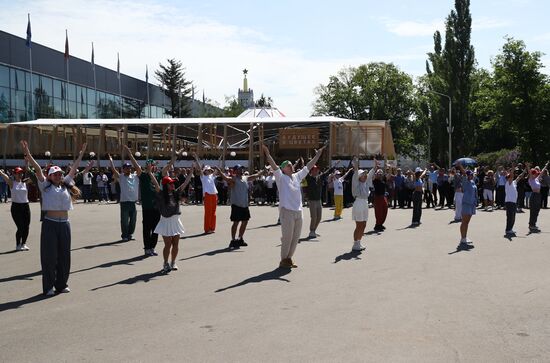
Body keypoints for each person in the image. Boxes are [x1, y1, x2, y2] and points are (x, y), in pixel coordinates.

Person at [22, 140, 85, 296]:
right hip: (50, 224)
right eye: (55, 174)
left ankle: (61, 284)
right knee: (49, 257)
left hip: (65, 224)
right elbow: (37, 169)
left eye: (60, 174)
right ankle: (48, 286)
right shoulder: (45, 186)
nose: (58, 176)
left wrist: (82, 153)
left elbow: (75, 168)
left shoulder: (66, 185)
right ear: (49, 176)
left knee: (64, 256)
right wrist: (29, 155)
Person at [262, 144, 326, 269]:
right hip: (287, 212)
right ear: (283, 169)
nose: (290, 165)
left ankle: (289, 258)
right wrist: (267, 154)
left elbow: (309, 166)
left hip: (298, 211)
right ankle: (283, 260)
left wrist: (318, 155)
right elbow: (274, 165)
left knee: (295, 238)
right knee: (287, 237)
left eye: (291, 164)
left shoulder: (297, 176)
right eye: (287, 165)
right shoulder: (280, 177)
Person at [149, 170, 193, 273]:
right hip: (166, 222)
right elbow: (155, 183)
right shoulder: (160, 194)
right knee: (168, 244)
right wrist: (150, 172)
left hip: (176, 221)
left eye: (173, 183)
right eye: (170, 183)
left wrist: (191, 172)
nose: (172, 184)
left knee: (176, 244)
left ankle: (173, 262)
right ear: (165, 185)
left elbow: (185, 183)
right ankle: (165, 263)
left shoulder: (176, 192)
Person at [216, 164, 263, 248]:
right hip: (236, 205)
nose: (241, 170)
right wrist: (220, 172)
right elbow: (226, 178)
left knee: (245, 221)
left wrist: (263, 171)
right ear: (235, 171)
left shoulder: (245, 178)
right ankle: (233, 240)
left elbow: (254, 176)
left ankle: (240, 238)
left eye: (241, 169)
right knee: (236, 222)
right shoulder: (233, 179)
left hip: (245, 205)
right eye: (239, 169)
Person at [108, 147, 140, 242]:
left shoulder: (135, 176)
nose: (128, 169)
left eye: (129, 168)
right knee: (125, 220)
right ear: (123, 169)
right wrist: (111, 161)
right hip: (124, 202)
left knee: (133, 220)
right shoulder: (121, 177)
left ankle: (130, 234)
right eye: (126, 168)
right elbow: (113, 170)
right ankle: (124, 235)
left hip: (133, 202)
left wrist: (130, 155)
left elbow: (138, 168)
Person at [0, 166, 32, 251]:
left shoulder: (25, 182)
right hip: (16, 207)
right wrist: (1, 172)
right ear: (14, 174)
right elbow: (3, 175)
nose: (20, 174)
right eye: (18, 173)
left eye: (21, 173)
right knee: (20, 226)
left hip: (26, 206)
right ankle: (18, 245)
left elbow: (36, 176)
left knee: (26, 226)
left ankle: (24, 244)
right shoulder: (12, 183)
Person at [351, 156, 374, 251]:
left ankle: (359, 242)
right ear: (359, 177)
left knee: (364, 224)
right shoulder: (356, 183)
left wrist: (375, 167)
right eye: (363, 175)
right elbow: (356, 173)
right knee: (359, 225)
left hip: (365, 203)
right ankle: (355, 244)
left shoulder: (366, 183)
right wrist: (356, 166)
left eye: (365, 175)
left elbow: (370, 175)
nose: (365, 176)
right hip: (359, 203)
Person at [139, 158, 162, 256]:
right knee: (147, 229)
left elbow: (167, 167)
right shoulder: (143, 176)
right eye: (150, 165)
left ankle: (152, 247)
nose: (152, 166)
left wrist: (175, 157)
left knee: (156, 229)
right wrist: (130, 154)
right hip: (147, 206)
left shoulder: (157, 175)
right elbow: (136, 166)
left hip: (156, 207)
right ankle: (147, 248)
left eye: (153, 165)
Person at [304, 164, 334, 238]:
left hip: (318, 200)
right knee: (314, 217)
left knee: (319, 217)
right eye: (315, 169)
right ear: (311, 171)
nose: (317, 171)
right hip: (312, 200)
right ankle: (311, 231)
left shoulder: (320, 177)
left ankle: (314, 230)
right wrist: (304, 163)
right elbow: (305, 170)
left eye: (317, 169)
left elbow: (326, 173)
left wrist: (334, 166)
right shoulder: (309, 178)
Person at [192, 153, 218, 234]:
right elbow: (199, 169)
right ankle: (207, 229)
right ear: (204, 171)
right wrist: (196, 159)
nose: (208, 170)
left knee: (213, 213)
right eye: (206, 170)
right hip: (207, 195)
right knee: (208, 213)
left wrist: (218, 167)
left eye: (209, 170)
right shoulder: (202, 177)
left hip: (214, 195)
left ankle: (212, 228)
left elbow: (216, 171)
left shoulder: (211, 176)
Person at [455, 162, 478, 248]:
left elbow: (474, 173)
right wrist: (460, 166)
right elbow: (464, 173)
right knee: (464, 222)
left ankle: (465, 237)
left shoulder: (472, 182)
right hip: (466, 204)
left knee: (467, 222)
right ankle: (463, 238)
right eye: (470, 175)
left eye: (471, 175)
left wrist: (476, 168)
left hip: (472, 204)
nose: (471, 175)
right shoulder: (465, 181)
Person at [526, 161, 549, 232]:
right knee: (533, 210)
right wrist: (527, 166)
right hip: (534, 195)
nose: (536, 174)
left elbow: (542, 172)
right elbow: (529, 173)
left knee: (537, 210)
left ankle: (534, 224)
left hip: (538, 195)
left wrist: (547, 164)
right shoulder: (531, 180)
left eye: (536, 173)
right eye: (534, 173)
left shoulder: (537, 179)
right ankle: (531, 224)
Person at [504, 166, 526, 236]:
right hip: (509, 202)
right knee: (510, 216)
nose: (511, 177)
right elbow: (511, 175)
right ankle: (508, 229)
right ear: (507, 178)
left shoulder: (514, 183)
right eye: (509, 177)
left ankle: (510, 229)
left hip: (513, 202)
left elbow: (519, 177)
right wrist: (513, 168)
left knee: (513, 216)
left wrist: (525, 169)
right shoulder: (508, 183)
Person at [372, 161, 388, 232]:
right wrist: (376, 167)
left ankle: (380, 224)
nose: (380, 175)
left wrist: (387, 164)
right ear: (376, 174)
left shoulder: (383, 179)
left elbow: (388, 173)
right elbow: (373, 175)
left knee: (385, 211)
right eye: (379, 174)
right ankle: (377, 225)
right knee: (379, 212)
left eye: (381, 174)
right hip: (377, 198)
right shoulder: (375, 181)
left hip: (383, 197)